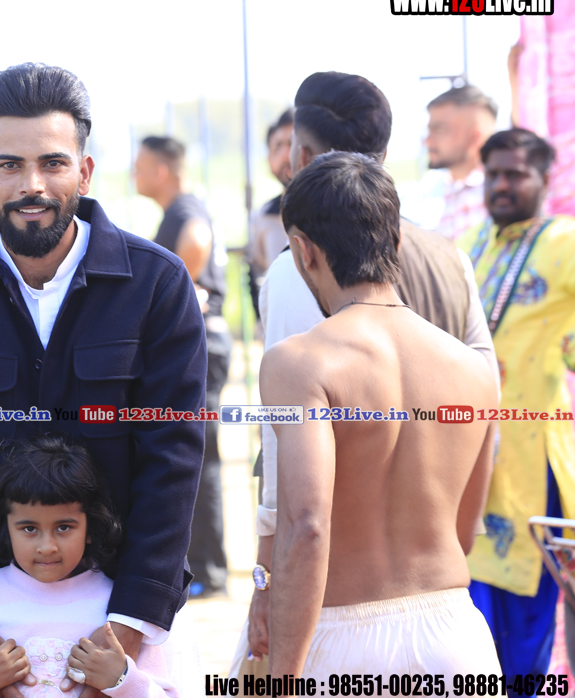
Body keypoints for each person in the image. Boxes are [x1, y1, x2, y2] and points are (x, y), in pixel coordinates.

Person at [0, 62, 206, 698]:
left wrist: (121, 647)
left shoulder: (157, 286)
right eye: (9, 165)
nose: (32, 185)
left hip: (123, 632)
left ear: (84, 171)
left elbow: (173, 463)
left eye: (53, 163)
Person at [239, 71, 499, 670]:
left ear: (303, 250)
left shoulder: (299, 363)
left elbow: (306, 525)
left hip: (344, 634)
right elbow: (465, 528)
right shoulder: (473, 368)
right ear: (395, 241)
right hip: (456, 633)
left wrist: (283, 675)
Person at [0, 435, 183, 698]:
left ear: (90, 527)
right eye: (29, 528)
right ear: (6, 529)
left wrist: (122, 681)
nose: (47, 547)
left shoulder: (123, 612)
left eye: (63, 527)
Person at [463, 128, 575, 674]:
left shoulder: (564, 243)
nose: (501, 185)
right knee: (470, 619)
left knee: (525, 619)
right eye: (493, 175)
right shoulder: (471, 244)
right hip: (469, 457)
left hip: (531, 462)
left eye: (515, 174)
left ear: (544, 179)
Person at [133, 135, 231, 597]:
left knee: (200, 456)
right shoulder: (178, 208)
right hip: (204, 344)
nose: (134, 174)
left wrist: (176, 287)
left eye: (140, 166)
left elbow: (197, 239)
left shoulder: (184, 210)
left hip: (202, 343)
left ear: (161, 171)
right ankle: (205, 567)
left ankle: (210, 571)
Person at [423, 85, 497, 241]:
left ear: (476, 136)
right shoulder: (430, 189)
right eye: (429, 130)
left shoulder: (499, 194)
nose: (427, 141)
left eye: (439, 130)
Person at [246, 109, 293, 321]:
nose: (285, 155)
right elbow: (256, 272)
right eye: (277, 147)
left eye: (292, 144)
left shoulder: (337, 208)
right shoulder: (264, 216)